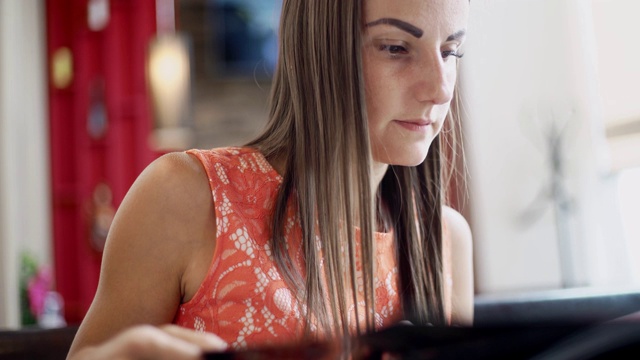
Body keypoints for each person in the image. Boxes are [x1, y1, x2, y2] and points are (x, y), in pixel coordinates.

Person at [66, 0, 473, 358]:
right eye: (396, 48)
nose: (439, 89)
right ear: (319, 48)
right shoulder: (187, 198)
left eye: (450, 51)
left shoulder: (445, 239)